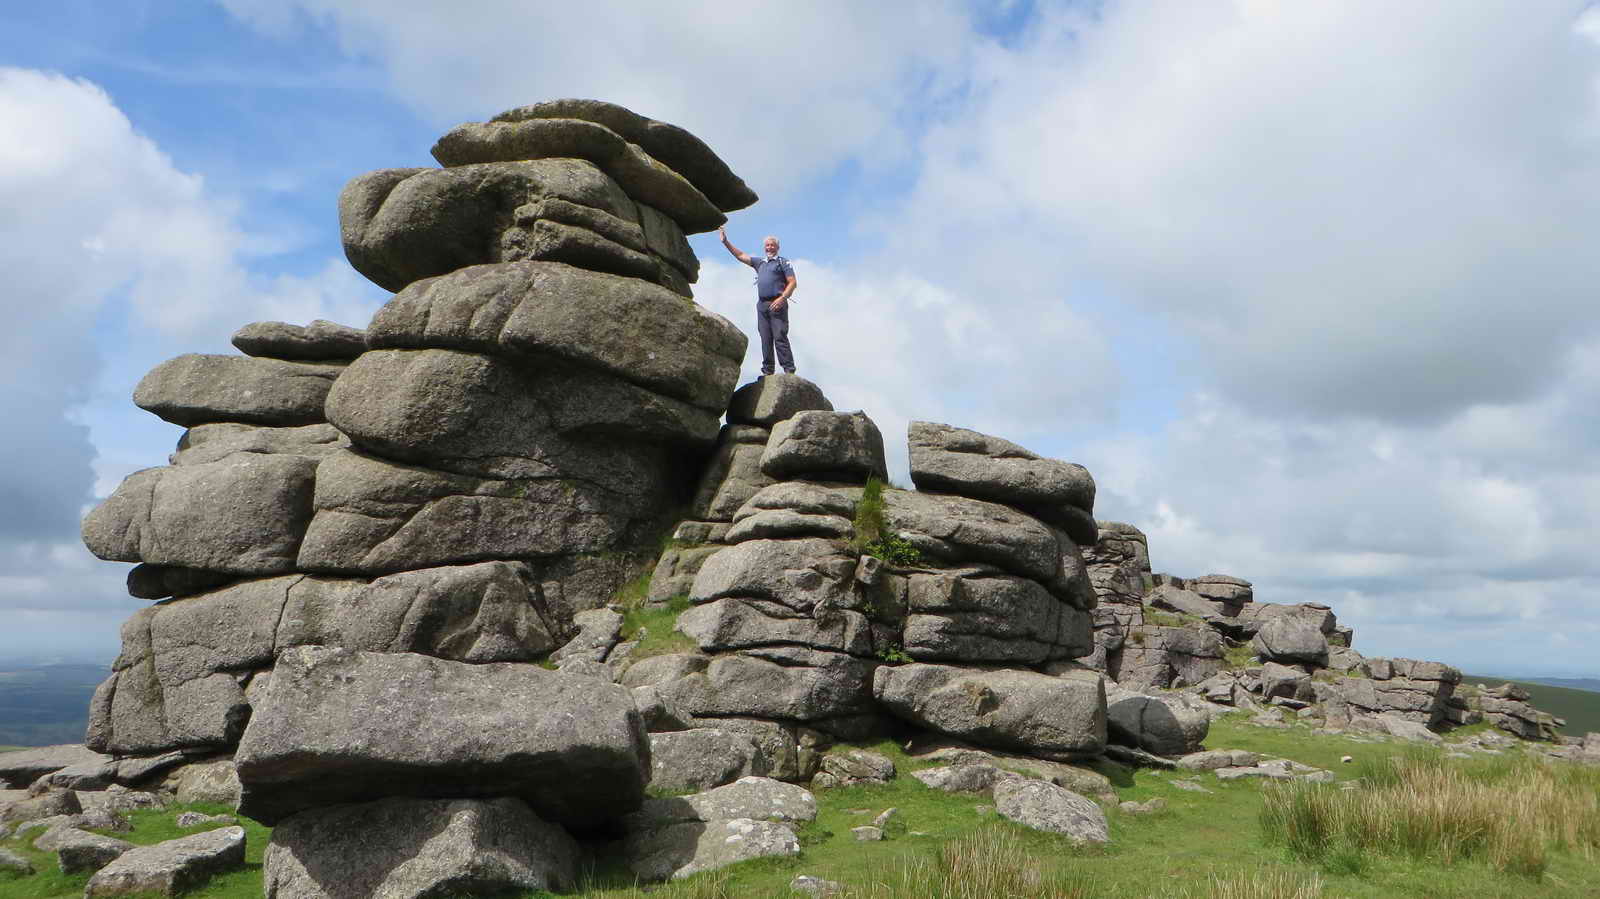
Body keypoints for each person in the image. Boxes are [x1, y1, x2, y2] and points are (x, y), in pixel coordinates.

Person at [719, 227, 797, 375]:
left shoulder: (783, 263)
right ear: (764, 247)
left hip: (777, 304)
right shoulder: (760, 262)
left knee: (779, 336)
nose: (769, 247)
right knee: (765, 338)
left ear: (777, 247)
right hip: (762, 305)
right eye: (767, 245)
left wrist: (783, 298)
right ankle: (768, 371)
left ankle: (789, 370)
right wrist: (725, 242)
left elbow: (792, 282)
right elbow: (741, 255)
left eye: (772, 245)